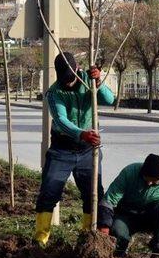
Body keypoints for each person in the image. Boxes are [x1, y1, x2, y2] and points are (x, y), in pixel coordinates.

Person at [34, 52, 115, 246]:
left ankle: (87, 237)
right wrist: (81, 133)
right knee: (49, 190)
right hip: (62, 149)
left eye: (71, 79)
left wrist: (99, 83)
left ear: (77, 69)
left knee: (93, 193)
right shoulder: (54, 93)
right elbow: (61, 121)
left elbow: (110, 100)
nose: (68, 83)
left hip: (88, 150)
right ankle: (40, 239)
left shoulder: (89, 81)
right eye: (64, 80)